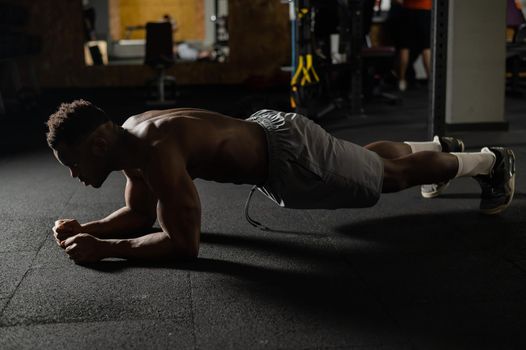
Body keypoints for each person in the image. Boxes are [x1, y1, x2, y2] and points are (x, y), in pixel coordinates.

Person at [47, 100, 516, 263]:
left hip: (289, 158)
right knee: (363, 160)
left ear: (99, 146)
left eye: (71, 161)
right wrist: (90, 230)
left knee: (387, 179)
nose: (72, 174)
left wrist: (107, 250)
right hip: (272, 134)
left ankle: (489, 163)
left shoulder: (155, 155)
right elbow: (140, 214)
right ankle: (437, 147)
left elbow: (183, 244)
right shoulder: (132, 134)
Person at [396, 0, 432, 91]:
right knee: (426, 48)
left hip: (408, 11)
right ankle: (431, 82)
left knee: (405, 47)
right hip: (424, 10)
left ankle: (402, 80)